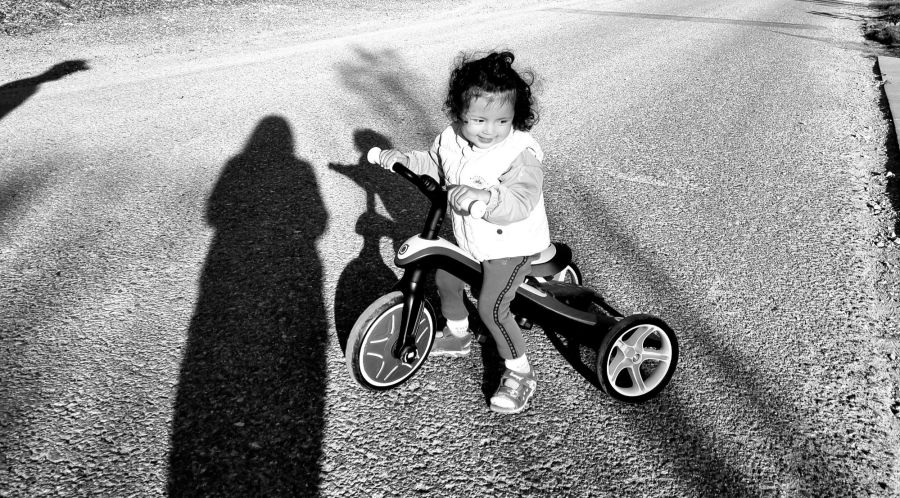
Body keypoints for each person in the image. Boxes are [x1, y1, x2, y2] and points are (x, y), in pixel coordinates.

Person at [376, 50, 549, 414]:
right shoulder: (451, 138)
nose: (491, 130)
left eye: (502, 120)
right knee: (444, 274)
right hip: (474, 240)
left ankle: (521, 372)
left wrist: (485, 197)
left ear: (515, 117)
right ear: (459, 114)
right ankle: (457, 334)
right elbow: (434, 162)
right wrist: (404, 160)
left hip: (511, 245)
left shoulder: (520, 152)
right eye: (479, 119)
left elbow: (520, 200)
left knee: (493, 306)